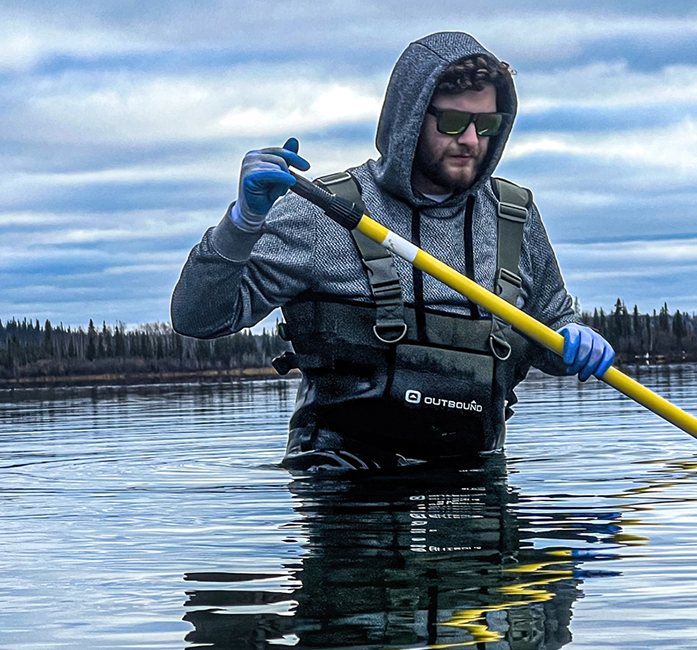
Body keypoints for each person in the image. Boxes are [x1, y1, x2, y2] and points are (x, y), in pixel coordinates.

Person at [172, 32, 615, 470]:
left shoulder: (514, 216)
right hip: (344, 487)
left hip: (476, 481)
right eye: (453, 122)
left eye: (488, 125)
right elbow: (199, 318)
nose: (471, 140)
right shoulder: (322, 213)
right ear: (410, 119)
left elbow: (552, 329)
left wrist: (573, 342)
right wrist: (243, 223)